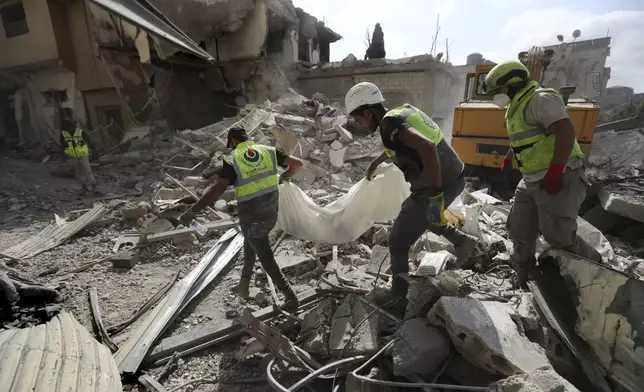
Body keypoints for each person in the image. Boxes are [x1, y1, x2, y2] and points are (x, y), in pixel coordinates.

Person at [344, 82, 478, 307]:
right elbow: (397, 148)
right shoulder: (400, 113)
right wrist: (374, 164)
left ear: (368, 112)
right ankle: (463, 241)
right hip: (453, 176)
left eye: (359, 120)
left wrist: (435, 195)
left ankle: (399, 298)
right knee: (420, 218)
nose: (361, 125)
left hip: (438, 184)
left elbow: (427, 147)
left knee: (398, 239)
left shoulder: (389, 124)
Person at [481, 60, 602, 287]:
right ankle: (525, 276)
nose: (496, 97)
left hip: (560, 175)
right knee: (519, 228)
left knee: (559, 237)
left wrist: (555, 172)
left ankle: (596, 274)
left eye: (497, 91)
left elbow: (565, 132)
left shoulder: (540, 99)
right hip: (531, 179)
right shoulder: (517, 106)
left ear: (513, 85)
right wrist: (509, 157)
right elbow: (526, 138)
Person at [179, 127, 304, 310]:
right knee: (250, 240)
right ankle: (244, 285)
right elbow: (298, 164)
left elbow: (218, 189)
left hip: (252, 215)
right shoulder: (267, 150)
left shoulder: (232, 159)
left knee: (265, 256)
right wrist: (283, 177)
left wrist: (193, 210)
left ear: (234, 142)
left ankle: (291, 297)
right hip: (270, 213)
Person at [59, 108, 97, 192]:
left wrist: (94, 151)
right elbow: (62, 145)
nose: (69, 129)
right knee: (78, 174)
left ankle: (94, 185)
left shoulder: (80, 132)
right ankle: (84, 187)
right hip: (74, 155)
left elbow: (90, 142)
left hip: (83, 154)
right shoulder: (63, 134)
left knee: (88, 171)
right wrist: (64, 156)